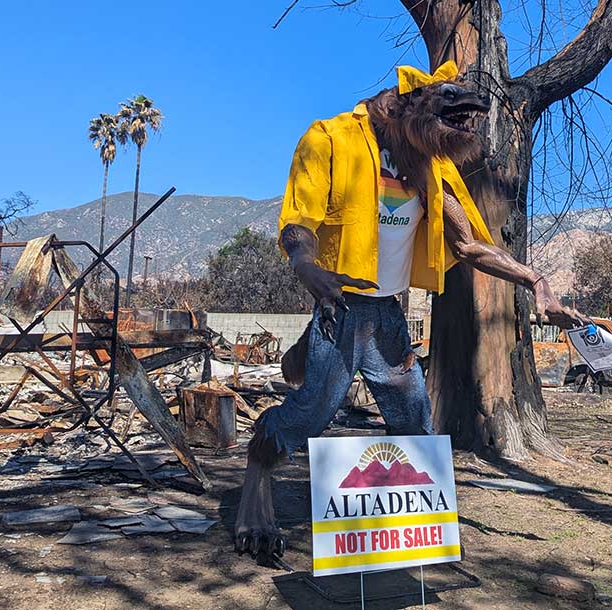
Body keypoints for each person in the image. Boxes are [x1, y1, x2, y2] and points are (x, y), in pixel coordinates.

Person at [235, 61, 586, 557]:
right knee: (309, 415)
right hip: (341, 309)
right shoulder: (332, 140)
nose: (462, 122)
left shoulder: (429, 166)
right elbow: (299, 220)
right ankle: (256, 482)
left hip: (388, 319)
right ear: (407, 105)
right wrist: (305, 265)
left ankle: (412, 538)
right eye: (447, 105)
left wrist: (536, 282)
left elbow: (470, 245)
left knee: (415, 425)